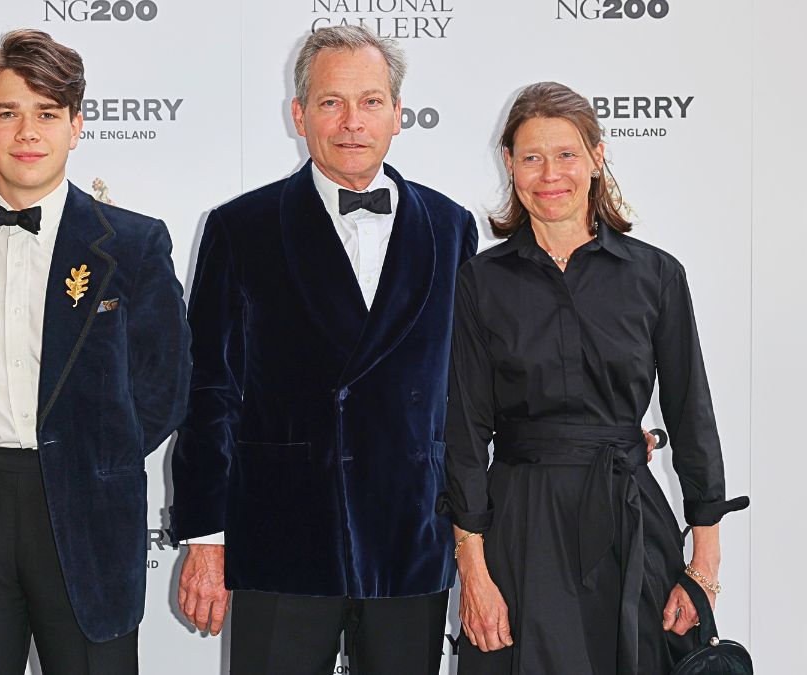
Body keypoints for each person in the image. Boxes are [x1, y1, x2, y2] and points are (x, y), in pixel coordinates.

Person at [171, 25, 478, 675]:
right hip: (282, 539)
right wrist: (205, 537)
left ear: (399, 113)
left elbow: (470, 395)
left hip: (410, 538)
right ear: (299, 114)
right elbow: (209, 393)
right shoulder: (241, 229)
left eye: (370, 101)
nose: (351, 122)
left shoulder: (452, 229)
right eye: (331, 102)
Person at [439, 81, 749, 675]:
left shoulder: (655, 275)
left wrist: (703, 564)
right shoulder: (479, 282)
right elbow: (465, 432)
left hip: (630, 522)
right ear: (508, 164)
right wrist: (472, 572)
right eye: (531, 157)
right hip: (519, 528)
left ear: (597, 157)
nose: (549, 173)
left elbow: (692, 418)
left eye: (566, 155)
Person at [0, 30, 190, 674]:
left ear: (77, 125)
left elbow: (166, 387)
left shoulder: (134, 243)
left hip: (87, 510)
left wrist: (98, 454)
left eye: (47, 113)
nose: (27, 131)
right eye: (8, 112)